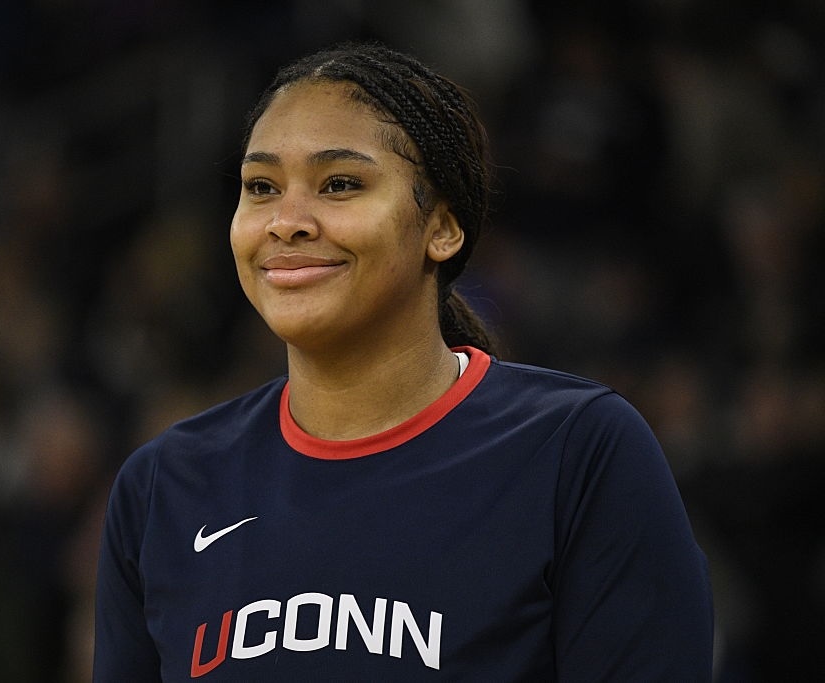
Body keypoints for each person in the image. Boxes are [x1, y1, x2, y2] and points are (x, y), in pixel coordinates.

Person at [93, 42, 713, 681]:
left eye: (340, 183)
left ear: (442, 228)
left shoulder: (578, 451)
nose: (286, 221)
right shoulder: (162, 486)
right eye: (261, 187)